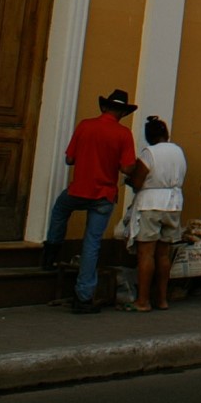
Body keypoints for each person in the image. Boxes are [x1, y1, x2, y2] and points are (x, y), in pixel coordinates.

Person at [43, 87, 138, 314]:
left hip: (78, 190)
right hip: (103, 195)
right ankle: (84, 296)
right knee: (92, 243)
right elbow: (127, 168)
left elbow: (69, 159)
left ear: (104, 107)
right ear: (123, 113)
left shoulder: (85, 125)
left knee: (59, 210)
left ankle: (50, 252)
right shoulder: (124, 134)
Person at [127, 115, 186, 312]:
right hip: (174, 204)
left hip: (151, 204)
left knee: (146, 253)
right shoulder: (178, 151)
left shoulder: (149, 153)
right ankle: (162, 299)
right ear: (166, 134)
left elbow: (137, 182)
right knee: (163, 254)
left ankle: (143, 300)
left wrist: (129, 177)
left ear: (148, 136)